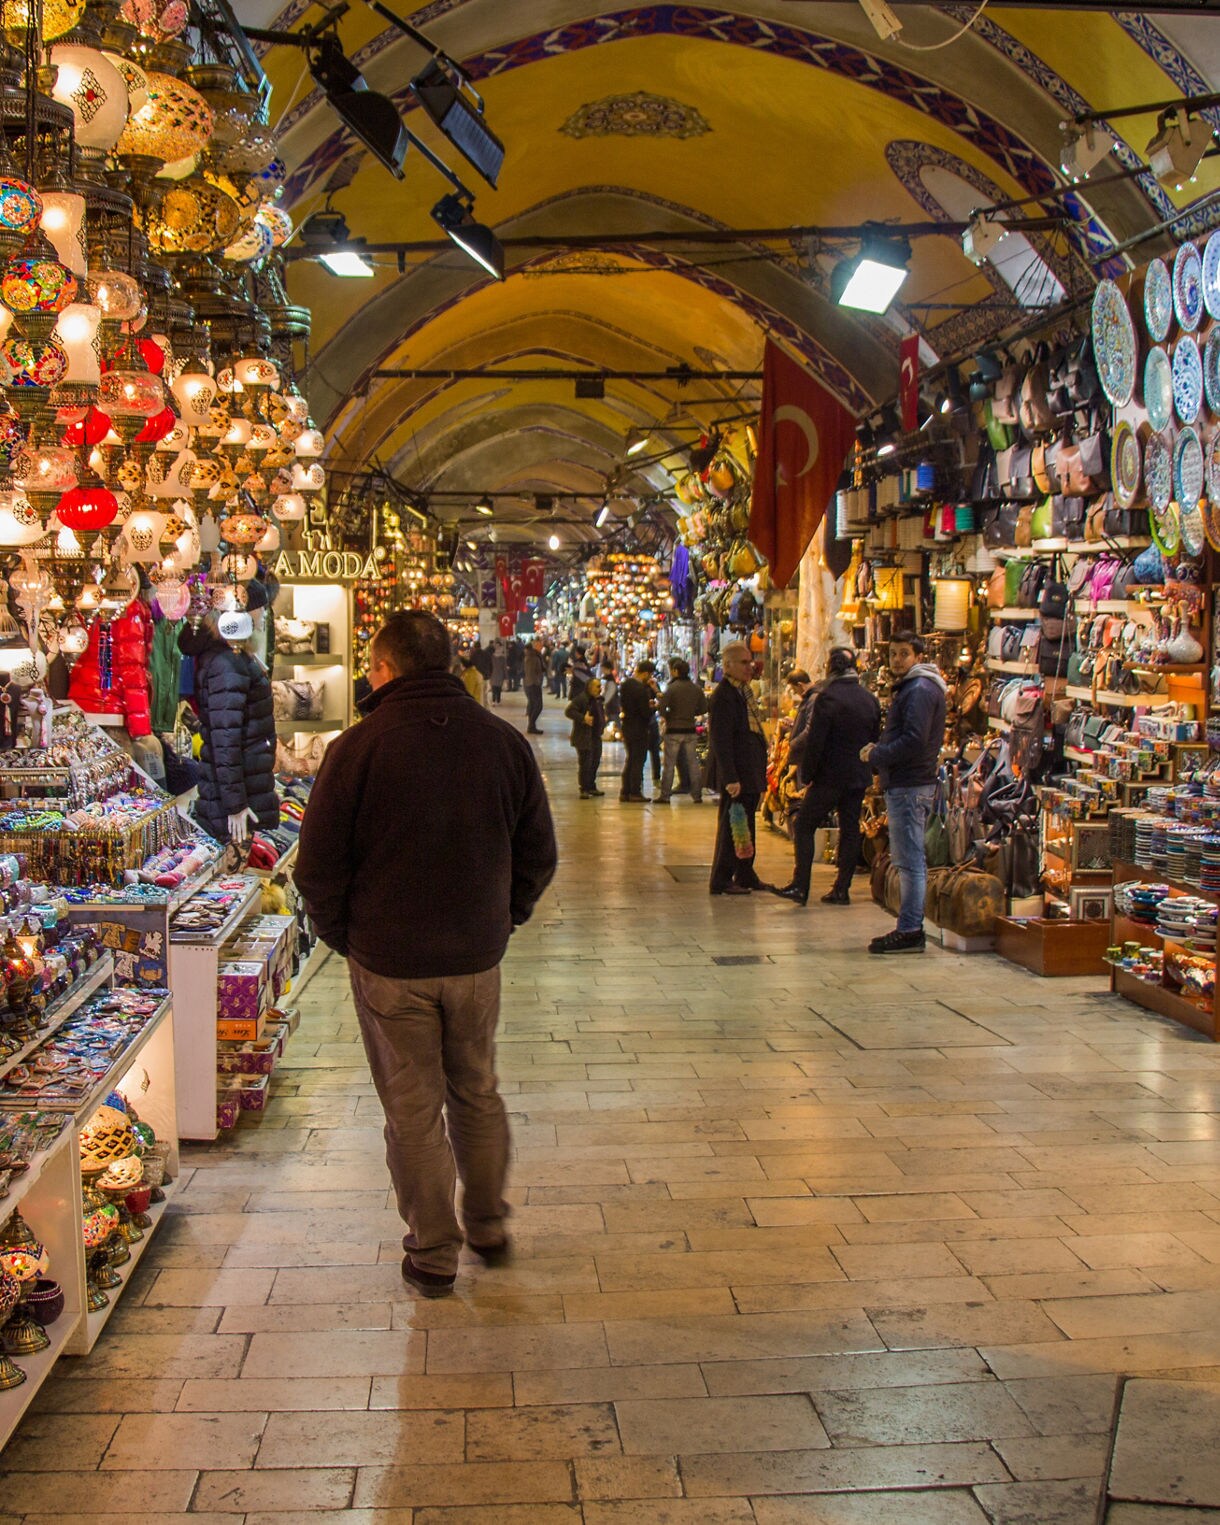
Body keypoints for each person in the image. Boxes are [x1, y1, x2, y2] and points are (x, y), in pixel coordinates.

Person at [295, 611, 557, 1298]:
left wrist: (346, 936)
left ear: (384, 669)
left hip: (390, 963)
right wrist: (504, 917)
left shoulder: (357, 748)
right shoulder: (502, 743)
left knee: (411, 1109)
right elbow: (539, 853)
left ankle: (435, 1250)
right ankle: (488, 1221)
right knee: (476, 1089)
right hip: (475, 957)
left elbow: (316, 866)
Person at [860, 630, 947, 953]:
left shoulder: (919, 690)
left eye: (903, 654)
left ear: (918, 657)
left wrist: (877, 755)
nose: (897, 660)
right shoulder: (913, 688)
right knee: (908, 859)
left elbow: (914, 740)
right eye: (893, 653)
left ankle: (910, 929)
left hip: (910, 784)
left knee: (910, 861)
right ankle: (909, 927)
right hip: (907, 781)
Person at [775, 648, 881, 907]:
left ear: (830, 668)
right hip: (858, 775)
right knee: (849, 830)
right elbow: (875, 737)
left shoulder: (827, 698)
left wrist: (807, 774)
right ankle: (841, 889)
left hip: (830, 776)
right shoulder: (869, 699)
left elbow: (816, 741)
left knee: (804, 825)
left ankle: (801, 885)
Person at [706, 641, 770, 895]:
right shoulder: (724, 696)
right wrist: (731, 777)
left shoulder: (743, 692)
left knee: (746, 825)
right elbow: (721, 740)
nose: (749, 666)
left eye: (750, 661)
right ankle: (721, 877)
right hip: (738, 773)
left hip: (749, 770)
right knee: (732, 825)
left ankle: (745, 872)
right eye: (743, 662)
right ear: (728, 666)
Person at [658, 657, 707, 803]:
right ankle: (697, 795)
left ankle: (665, 795)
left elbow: (661, 708)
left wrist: (669, 715)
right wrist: (691, 713)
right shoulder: (696, 689)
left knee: (669, 765)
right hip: (690, 730)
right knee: (693, 764)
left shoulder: (671, 688)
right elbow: (704, 708)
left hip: (673, 730)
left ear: (676, 671)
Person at [618, 658, 656, 802]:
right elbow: (645, 712)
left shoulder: (626, 684)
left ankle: (625, 791)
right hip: (639, 728)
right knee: (638, 760)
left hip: (627, 725)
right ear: (645, 673)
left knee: (630, 759)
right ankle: (635, 791)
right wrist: (653, 708)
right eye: (650, 675)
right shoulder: (640, 689)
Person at [566, 676, 605, 798]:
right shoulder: (581, 699)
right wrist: (583, 719)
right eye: (597, 686)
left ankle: (591, 786)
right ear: (590, 687)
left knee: (594, 762)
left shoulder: (597, 700)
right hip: (584, 737)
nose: (600, 689)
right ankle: (584, 788)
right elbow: (569, 711)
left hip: (595, 736)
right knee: (585, 763)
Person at [523, 637, 545, 733]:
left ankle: (531, 726)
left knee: (532, 705)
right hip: (533, 684)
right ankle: (531, 725)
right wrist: (537, 682)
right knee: (538, 706)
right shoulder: (532, 657)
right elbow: (532, 672)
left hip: (530, 683)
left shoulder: (531, 656)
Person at [489, 640, 507, 705]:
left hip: (498, 675)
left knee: (498, 688)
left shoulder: (502, 658)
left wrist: (506, 677)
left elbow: (504, 668)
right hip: (494, 674)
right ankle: (494, 701)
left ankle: (497, 700)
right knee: (494, 688)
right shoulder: (492, 657)